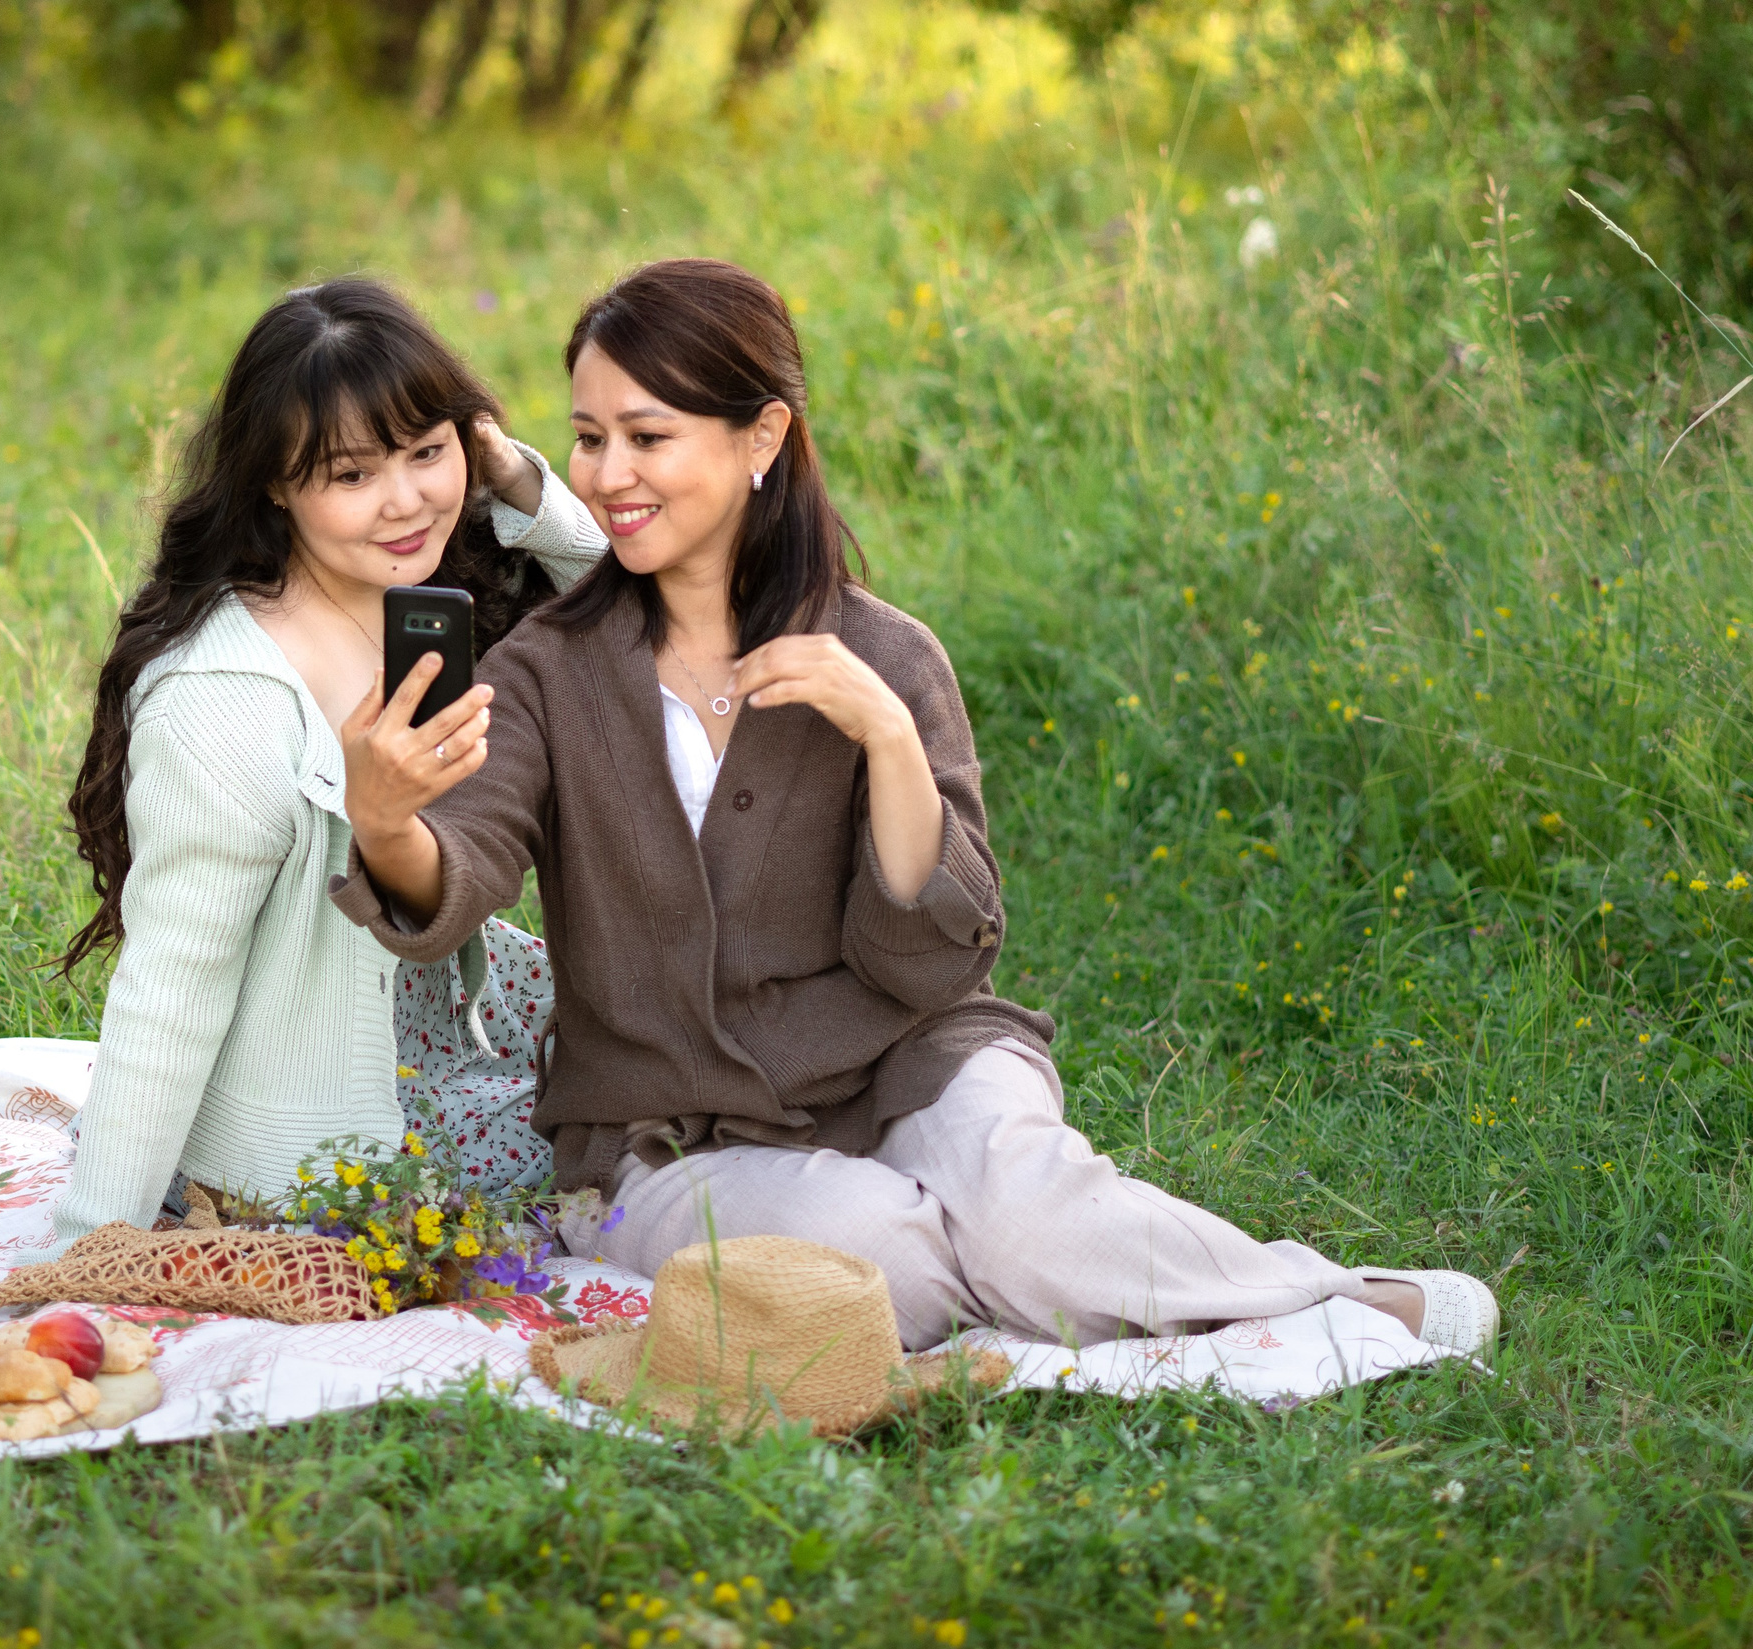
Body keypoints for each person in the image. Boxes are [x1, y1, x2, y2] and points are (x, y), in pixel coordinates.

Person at [331, 258, 1498, 1355]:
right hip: (662, 1136)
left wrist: (887, 736)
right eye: (587, 438)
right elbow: (466, 860)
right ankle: (1036, 1260)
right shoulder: (545, 668)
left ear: (763, 438)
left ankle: (1338, 1299)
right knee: (883, 1254)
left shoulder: (887, 653)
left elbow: (934, 965)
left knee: (1019, 1216)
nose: (604, 476)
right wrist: (388, 820)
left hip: (910, 1061)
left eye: (647, 437)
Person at [48, 277, 608, 1256]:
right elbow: (173, 983)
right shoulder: (225, 694)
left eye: (426, 454)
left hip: (447, 1028)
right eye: (351, 476)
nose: (405, 502)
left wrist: (515, 480)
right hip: (329, 1120)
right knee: (651, 1165)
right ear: (274, 481)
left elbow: (641, 613)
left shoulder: (430, 595)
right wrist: (88, 1244)